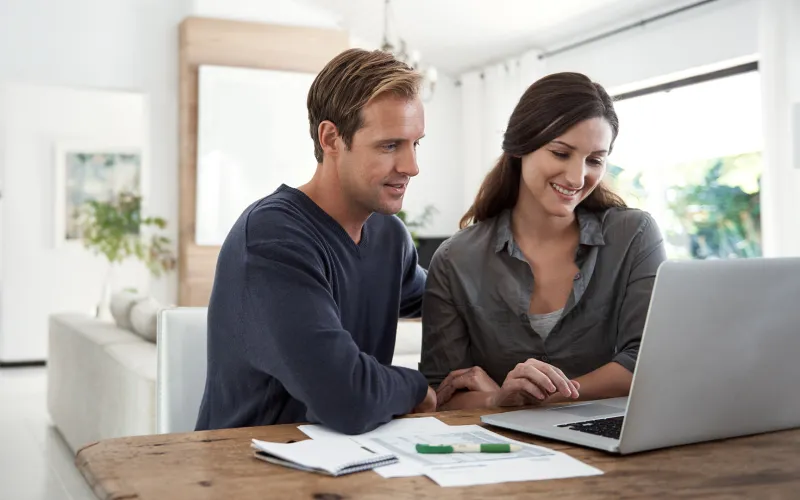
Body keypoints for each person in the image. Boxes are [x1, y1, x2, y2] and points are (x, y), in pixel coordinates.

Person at [195, 48, 437, 435]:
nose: (411, 166)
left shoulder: (390, 237)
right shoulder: (271, 237)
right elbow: (346, 397)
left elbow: (450, 301)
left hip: (353, 461)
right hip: (249, 471)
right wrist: (419, 387)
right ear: (331, 138)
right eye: (390, 145)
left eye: (416, 144)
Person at [420, 72, 667, 411]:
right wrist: (498, 398)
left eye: (595, 159)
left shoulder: (634, 236)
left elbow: (647, 360)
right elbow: (444, 391)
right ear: (521, 146)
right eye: (561, 153)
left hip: (614, 439)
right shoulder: (454, 259)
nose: (578, 177)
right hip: (506, 451)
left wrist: (544, 397)